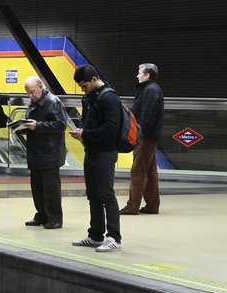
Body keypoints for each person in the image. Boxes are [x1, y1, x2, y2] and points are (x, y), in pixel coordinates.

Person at [70, 64, 122, 252]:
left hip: (105, 152)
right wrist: (82, 131)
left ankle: (114, 237)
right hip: (91, 151)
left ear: (94, 79)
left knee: (107, 194)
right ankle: (96, 235)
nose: (83, 89)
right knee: (93, 195)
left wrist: (86, 134)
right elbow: (88, 121)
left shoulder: (109, 97)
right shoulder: (90, 97)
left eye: (85, 86)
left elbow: (111, 128)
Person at [18, 76, 68, 229]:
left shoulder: (53, 102)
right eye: (28, 92)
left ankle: (55, 218)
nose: (30, 95)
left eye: (32, 91)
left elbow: (61, 124)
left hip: (50, 152)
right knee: (37, 186)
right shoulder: (34, 103)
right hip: (36, 151)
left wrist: (38, 126)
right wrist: (24, 127)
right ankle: (42, 214)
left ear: (41, 86)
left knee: (51, 187)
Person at [122, 63, 164, 215]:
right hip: (149, 136)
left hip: (145, 137)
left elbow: (147, 115)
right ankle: (152, 205)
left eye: (140, 73)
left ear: (147, 75)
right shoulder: (149, 89)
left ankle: (132, 206)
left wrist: (138, 134)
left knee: (138, 170)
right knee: (150, 171)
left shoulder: (150, 90)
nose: (137, 75)